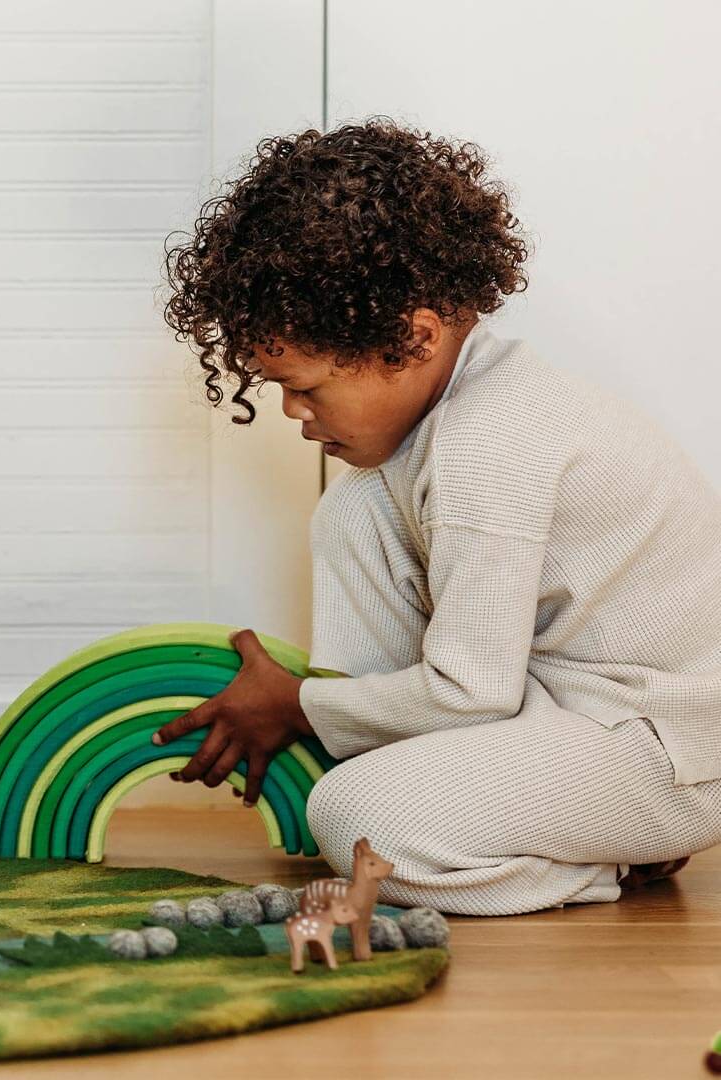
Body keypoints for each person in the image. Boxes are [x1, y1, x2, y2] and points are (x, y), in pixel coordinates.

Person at [150, 118, 721, 916]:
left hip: (666, 750)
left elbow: (470, 695)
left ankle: (601, 863)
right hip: (565, 710)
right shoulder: (437, 439)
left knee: (356, 817)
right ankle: (527, 825)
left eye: (309, 386)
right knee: (353, 509)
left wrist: (296, 704)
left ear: (412, 339)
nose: (291, 410)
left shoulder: (488, 443)